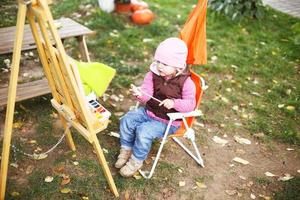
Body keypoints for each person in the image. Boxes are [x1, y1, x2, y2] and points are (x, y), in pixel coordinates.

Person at [115, 37, 196, 177]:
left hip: (168, 121)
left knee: (143, 131)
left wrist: (175, 103)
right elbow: (147, 95)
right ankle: (126, 148)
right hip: (149, 112)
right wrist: (139, 94)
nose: (159, 66)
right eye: (158, 61)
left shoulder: (186, 83)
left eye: (165, 64)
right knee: (127, 119)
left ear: (178, 66)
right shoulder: (152, 74)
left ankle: (136, 160)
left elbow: (191, 104)